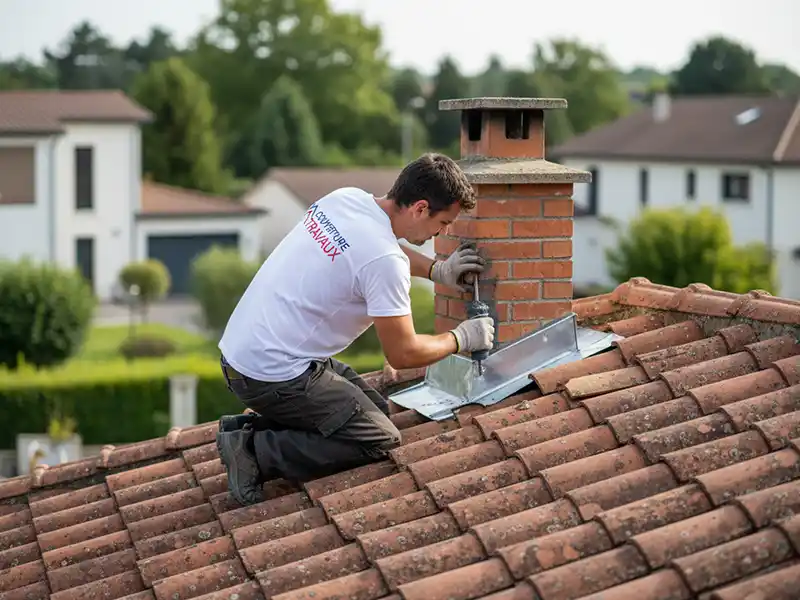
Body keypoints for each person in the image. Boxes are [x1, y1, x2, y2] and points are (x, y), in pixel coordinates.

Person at [215, 153, 495, 505]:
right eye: (443, 223)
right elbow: (403, 353)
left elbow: (373, 249)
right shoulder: (384, 262)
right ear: (421, 208)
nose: (443, 232)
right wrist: (462, 338)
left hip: (245, 351)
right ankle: (254, 451)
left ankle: (244, 430)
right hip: (270, 373)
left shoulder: (345, 199)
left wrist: (437, 270)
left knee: (377, 409)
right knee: (377, 439)